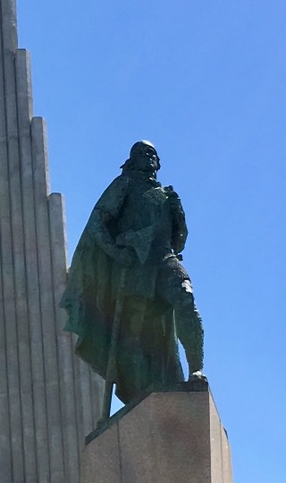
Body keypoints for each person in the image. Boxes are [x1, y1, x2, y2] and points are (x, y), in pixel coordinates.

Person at [60, 140, 205, 416]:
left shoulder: (167, 195)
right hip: (136, 267)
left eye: (151, 153)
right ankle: (140, 396)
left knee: (186, 298)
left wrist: (178, 215)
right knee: (136, 334)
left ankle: (196, 369)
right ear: (132, 160)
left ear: (158, 162)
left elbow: (179, 241)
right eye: (141, 152)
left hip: (164, 259)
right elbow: (97, 222)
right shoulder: (125, 184)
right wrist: (115, 251)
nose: (147, 156)